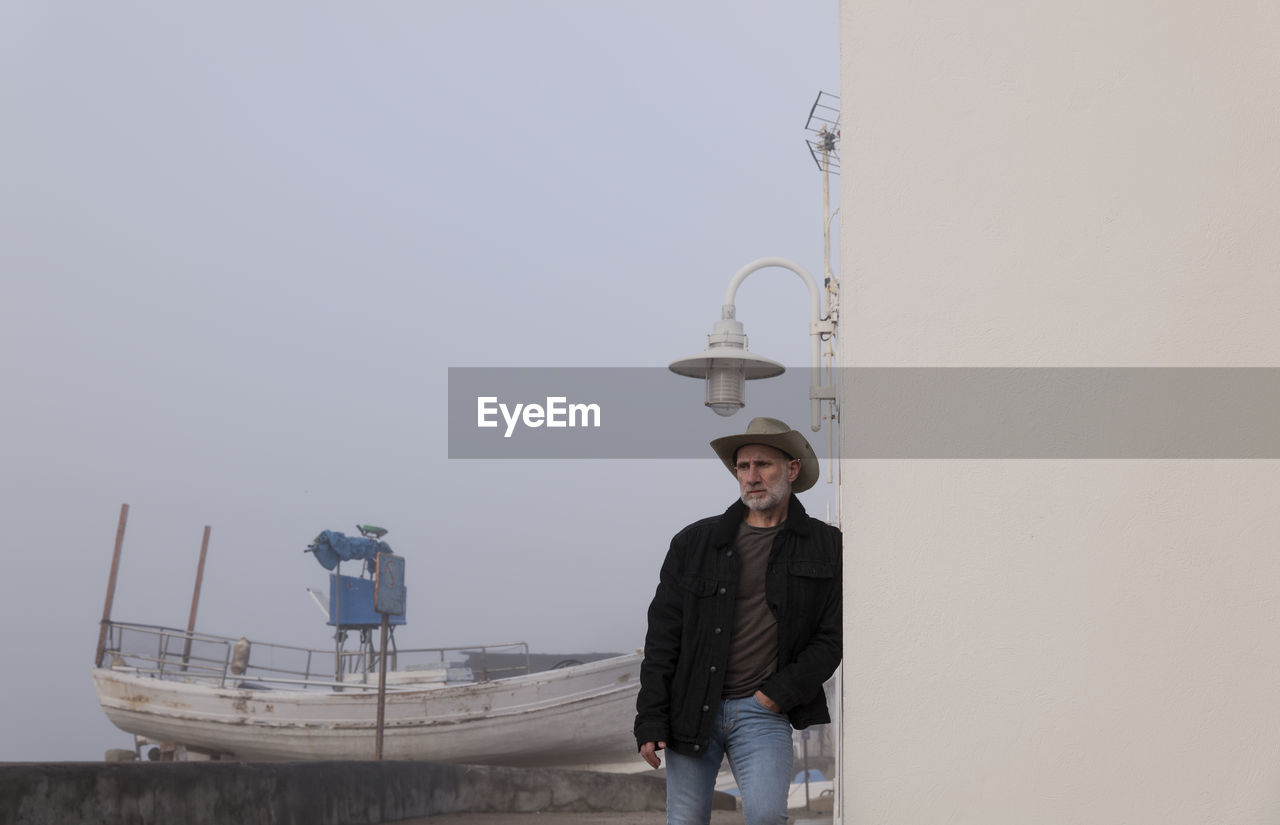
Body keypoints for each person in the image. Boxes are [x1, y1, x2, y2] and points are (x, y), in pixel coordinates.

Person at [634, 416, 843, 825]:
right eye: (743, 467)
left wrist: (777, 694)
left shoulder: (826, 546)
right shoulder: (694, 543)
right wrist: (650, 718)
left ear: (792, 469)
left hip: (763, 712)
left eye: (763, 465)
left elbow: (832, 637)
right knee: (686, 820)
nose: (752, 477)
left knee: (766, 817)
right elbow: (663, 637)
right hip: (691, 709)